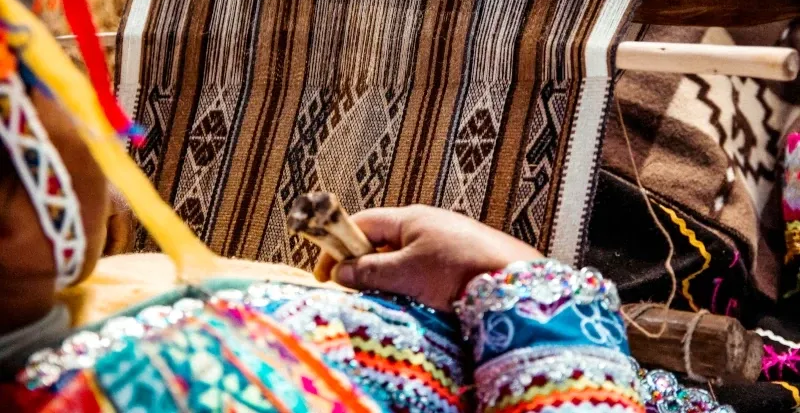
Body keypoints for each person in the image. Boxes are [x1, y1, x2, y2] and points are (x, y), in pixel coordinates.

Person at [0, 88, 731, 412]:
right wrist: (509, 277)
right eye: (44, 77)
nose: (95, 104)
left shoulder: (66, 305)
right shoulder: (145, 393)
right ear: (23, 203)